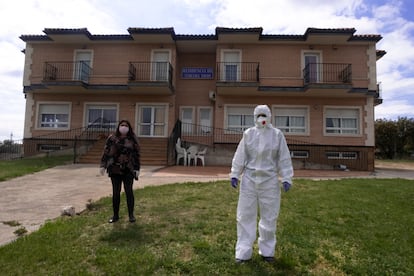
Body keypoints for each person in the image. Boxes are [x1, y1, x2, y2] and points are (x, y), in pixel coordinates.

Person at [229, 104, 293, 263]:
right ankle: (243, 253)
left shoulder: (277, 135)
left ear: (269, 116)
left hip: (269, 181)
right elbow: (240, 155)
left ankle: (267, 251)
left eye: (264, 115)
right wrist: (235, 173)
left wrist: (286, 177)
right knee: (245, 216)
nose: (261, 118)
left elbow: (283, 157)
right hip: (249, 180)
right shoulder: (248, 134)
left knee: (269, 217)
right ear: (254, 117)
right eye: (259, 115)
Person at [100, 120, 141, 223]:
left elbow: (137, 154)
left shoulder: (132, 139)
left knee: (129, 192)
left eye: (126, 125)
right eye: (121, 125)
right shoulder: (112, 138)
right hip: (114, 169)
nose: (123, 127)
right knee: (116, 193)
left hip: (128, 169)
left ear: (129, 128)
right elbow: (106, 152)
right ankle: (115, 216)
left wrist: (137, 168)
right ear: (118, 127)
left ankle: (131, 215)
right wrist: (103, 165)